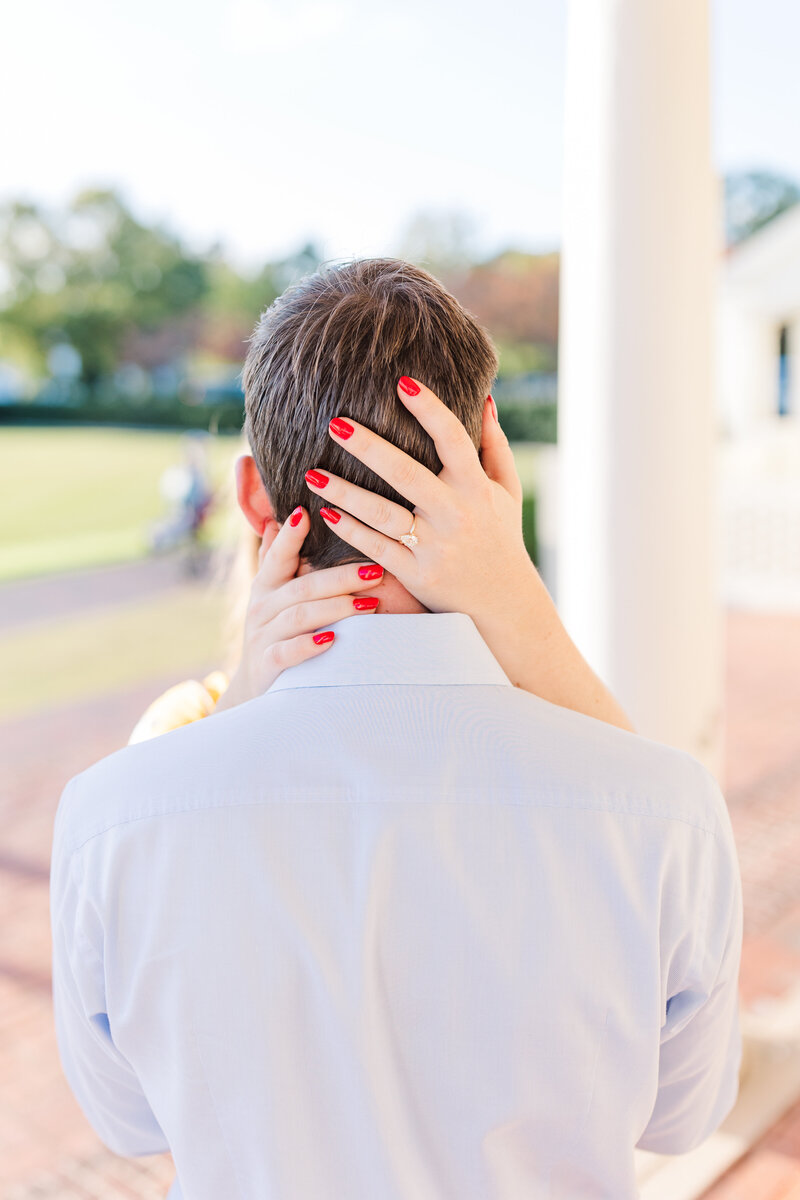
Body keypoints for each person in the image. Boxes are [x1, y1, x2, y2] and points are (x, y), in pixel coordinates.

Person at [50, 259, 742, 1200]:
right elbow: (683, 1116)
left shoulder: (112, 816)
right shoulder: (664, 811)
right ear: (494, 472)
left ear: (255, 499)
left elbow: (129, 1119)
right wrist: (523, 604)